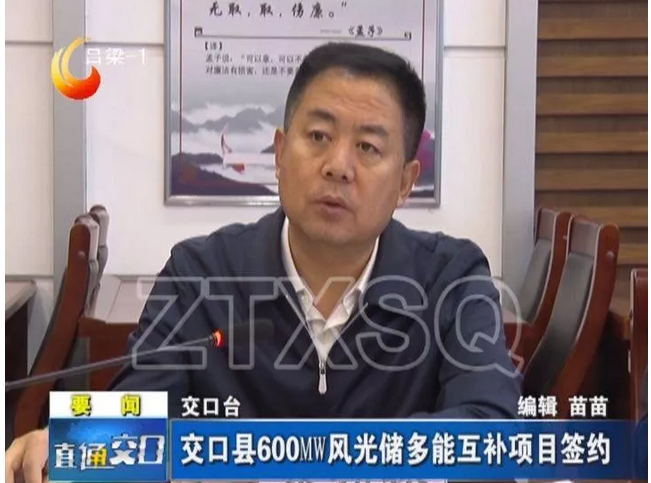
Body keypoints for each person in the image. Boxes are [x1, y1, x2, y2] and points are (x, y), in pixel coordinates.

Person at [6, 41, 521, 482]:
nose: (338, 166)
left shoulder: (451, 279)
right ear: (279, 152)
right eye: (318, 136)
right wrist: (74, 441)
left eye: (368, 147)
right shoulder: (200, 274)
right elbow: (141, 412)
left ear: (406, 182)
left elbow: (491, 431)